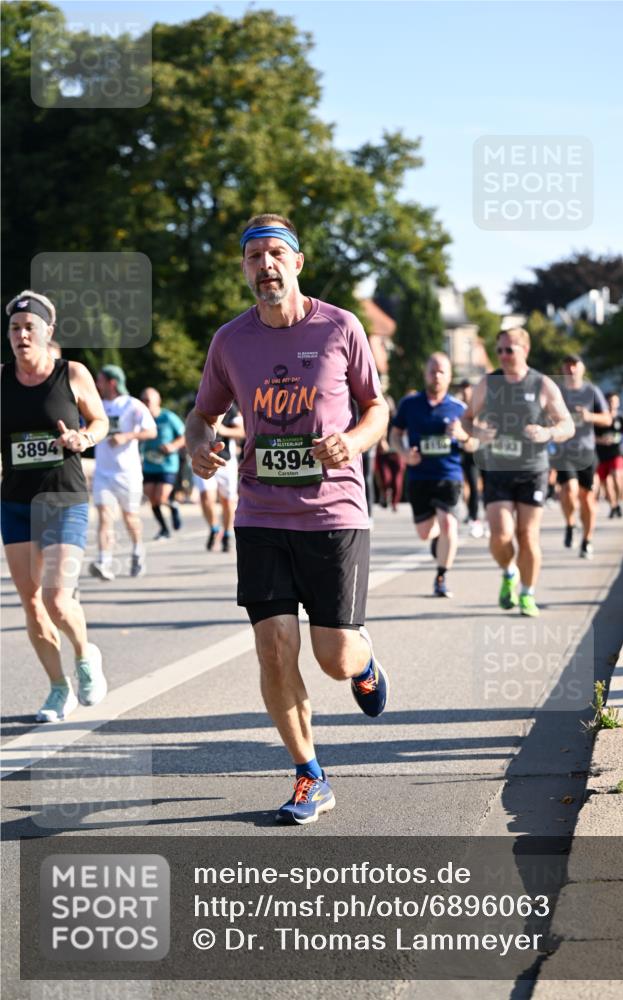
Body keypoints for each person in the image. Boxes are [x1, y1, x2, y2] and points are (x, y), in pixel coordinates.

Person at [186, 213, 390, 825]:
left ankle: (364, 660)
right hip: (260, 514)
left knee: (334, 658)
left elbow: (376, 407)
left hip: (334, 514)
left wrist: (352, 443)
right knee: (274, 648)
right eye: (254, 257)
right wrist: (197, 444)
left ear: (297, 262)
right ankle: (309, 773)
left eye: (276, 254)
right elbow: (202, 414)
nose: (265, 267)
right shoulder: (231, 341)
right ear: (244, 267)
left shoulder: (340, 327)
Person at [1, 290, 108, 722]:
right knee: (31, 603)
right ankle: (57, 689)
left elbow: (99, 421)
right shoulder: (1, 379)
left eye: (30, 327)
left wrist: (83, 438)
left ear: (48, 331)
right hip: (16, 503)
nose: (21, 335)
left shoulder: (72, 373)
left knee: (58, 599)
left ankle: (85, 656)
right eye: (14, 328)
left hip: (64, 497)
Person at [463, 327, 574, 617]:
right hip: (498, 468)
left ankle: (527, 593)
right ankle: (509, 572)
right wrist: (478, 433)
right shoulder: (489, 384)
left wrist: (547, 432)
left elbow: (567, 425)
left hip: (532, 470)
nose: (502, 355)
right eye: (499, 350)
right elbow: (466, 420)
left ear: (525, 349)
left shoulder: (542, 385)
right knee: (500, 535)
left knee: (527, 535)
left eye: (509, 349)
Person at [390, 353, 470, 597]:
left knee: (448, 524)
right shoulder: (409, 404)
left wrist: (463, 434)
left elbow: (475, 442)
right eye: (432, 371)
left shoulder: (460, 409)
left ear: (449, 376)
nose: (436, 376)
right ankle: (439, 541)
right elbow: (394, 435)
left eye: (441, 371)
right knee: (425, 533)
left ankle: (441, 577)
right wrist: (404, 453)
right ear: (425, 374)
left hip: (449, 474)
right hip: (419, 476)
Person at [90, 365, 157, 580]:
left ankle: (138, 550)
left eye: (99, 380)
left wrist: (127, 436)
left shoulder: (132, 405)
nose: (97, 384)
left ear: (112, 382)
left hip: (127, 472)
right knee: (105, 518)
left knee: (130, 517)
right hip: (103, 471)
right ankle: (104, 562)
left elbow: (151, 430)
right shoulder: (97, 406)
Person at [555, 355, 610, 559]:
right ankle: (570, 524)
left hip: (586, 451)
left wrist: (589, 416)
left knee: (587, 499)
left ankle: (587, 540)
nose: (570, 369)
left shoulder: (591, 391)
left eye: (574, 365)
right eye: (567, 365)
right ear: (562, 369)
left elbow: (607, 418)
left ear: (582, 368)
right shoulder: (557, 391)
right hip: (564, 450)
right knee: (569, 490)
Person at [192, 403, 245, 552]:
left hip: (225, 461)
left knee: (227, 501)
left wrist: (222, 429)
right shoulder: (196, 406)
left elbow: (241, 431)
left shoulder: (230, 408)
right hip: (205, 458)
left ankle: (227, 533)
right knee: (205, 497)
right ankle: (214, 529)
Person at [139, 388, 186, 539]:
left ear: (158, 401)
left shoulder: (168, 417)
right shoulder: (140, 419)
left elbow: (184, 436)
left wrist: (172, 446)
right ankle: (164, 528)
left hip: (168, 465)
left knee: (160, 498)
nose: (146, 404)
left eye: (148, 401)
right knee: (152, 499)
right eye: (143, 401)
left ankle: (173, 506)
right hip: (149, 465)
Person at [595, 392, 623, 518]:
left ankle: (619, 500)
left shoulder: (621, 418)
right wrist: (601, 440)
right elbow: (591, 436)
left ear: (618, 403)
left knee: (616, 476)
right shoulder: (599, 418)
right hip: (601, 454)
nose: (612, 404)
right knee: (605, 484)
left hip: (616, 452)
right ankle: (613, 505)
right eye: (610, 401)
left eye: (614, 401)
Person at [458, 380, 484, 537]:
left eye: (468, 389)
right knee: (463, 486)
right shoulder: (458, 406)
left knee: (475, 486)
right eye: (464, 389)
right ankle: (470, 513)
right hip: (460, 451)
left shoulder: (479, 406)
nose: (466, 392)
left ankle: (475, 517)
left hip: (477, 452)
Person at [374, 395, 405, 512]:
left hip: (397, 452)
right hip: (383, 452)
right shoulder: (379, 418)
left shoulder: (398, 419)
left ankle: (394, 502)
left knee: (397, 480)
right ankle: (385, 495)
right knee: (385, 478)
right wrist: (381, 441)